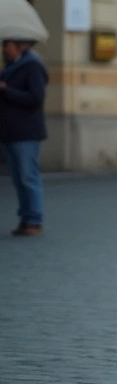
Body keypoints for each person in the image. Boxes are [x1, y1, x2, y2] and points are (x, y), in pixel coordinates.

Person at [0, 39, 48, 236]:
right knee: (19, 179)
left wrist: (6, 90)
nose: (4, 49)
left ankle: (34, 220)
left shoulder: (32, 66)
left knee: (28, 177)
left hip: (26, 132)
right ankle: (25, 218)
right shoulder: (10, 67)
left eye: (7, 45)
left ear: (21, 46)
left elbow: (36, 98)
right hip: (10, 131)